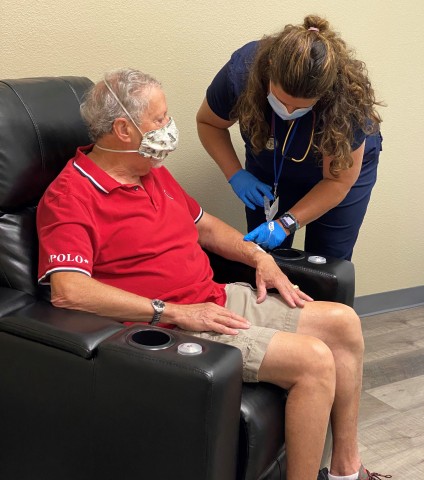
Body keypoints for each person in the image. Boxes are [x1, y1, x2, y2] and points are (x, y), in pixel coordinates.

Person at [36, 69, 390, 480]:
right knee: (313, 360)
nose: (169, 128)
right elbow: (68, 290)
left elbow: (204, 225)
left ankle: (347, 471)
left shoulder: (151, 172)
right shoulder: (70, 197)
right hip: (170, 327)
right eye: (159, 119)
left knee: (344, 324)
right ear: (123, 130)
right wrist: (176, 313)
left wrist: (258, 256)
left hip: (213, 297)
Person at [196, 14, 383, 261]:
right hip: (270, 161)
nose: (289, 113)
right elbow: (208, 122)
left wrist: (287, 223)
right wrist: (235, 174)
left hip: (337, 173)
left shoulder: (347, 101)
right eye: (282, 102)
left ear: (325, 93)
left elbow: (337, 182)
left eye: (301, 107)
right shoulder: (243, 72)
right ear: (269, 69)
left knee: (326, 260)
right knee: (265, 254)